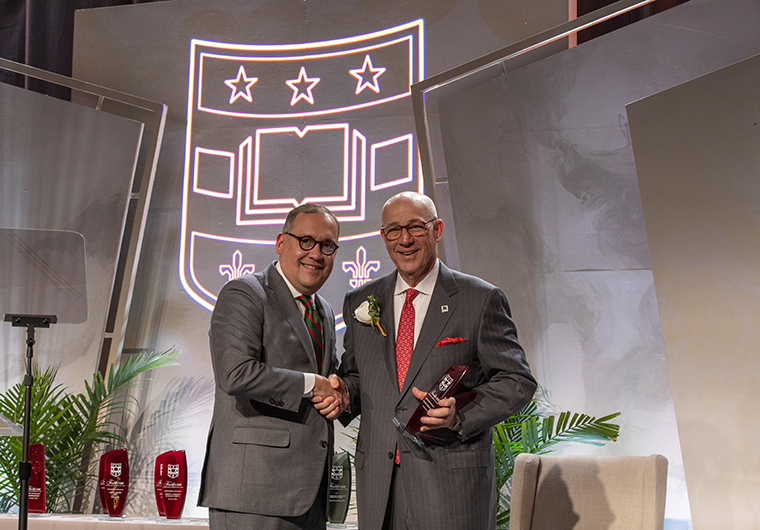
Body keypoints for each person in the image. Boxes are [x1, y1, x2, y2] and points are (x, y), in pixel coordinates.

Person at [319, 191, 536, 530]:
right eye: (394, 230)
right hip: (379, 483)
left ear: (437, 230)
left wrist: (459, 414)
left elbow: (517, 381)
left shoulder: (479, 299)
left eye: (416, 227)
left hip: (450, 485)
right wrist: (344, 392)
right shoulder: (360, 301)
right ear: (383, 237)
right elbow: (359, 377)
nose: (404, 239)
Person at [198, 203, 345, 530]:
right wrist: (312, 385)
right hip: (253, 492)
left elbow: (328, 381)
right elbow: (235, 374)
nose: (316, 254)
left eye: (327, 246)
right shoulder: (245, 293)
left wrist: (340, 394)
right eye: (305, 241)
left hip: (309, 497)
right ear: (281, 243)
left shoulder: (325, 311)